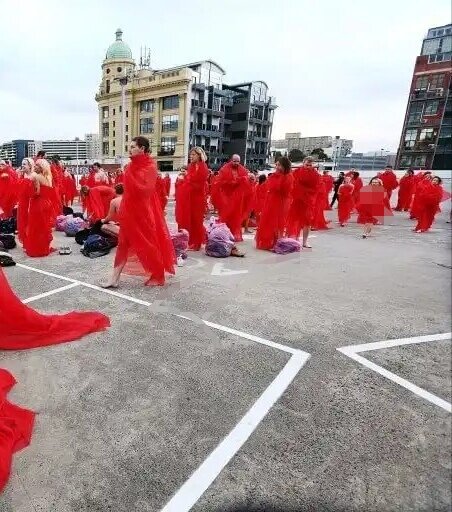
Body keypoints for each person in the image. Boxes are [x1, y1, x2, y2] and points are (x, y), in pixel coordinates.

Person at [102, 136, 175, 288]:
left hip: (143, 213)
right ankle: (114, 278)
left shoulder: (150, 166)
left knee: (147, 244)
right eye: (130, 146)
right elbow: (128, 191)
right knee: (122, 243)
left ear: (142, 149)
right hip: (129, 211)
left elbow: (146, 190)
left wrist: (129, 175)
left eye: (133, 146)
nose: (130, 149)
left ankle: (158, 274)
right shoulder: (130, 167)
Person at [22, 159, 58, 257]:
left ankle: (37, 250)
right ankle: (44, 248)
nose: (35, 167)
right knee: (44, 227)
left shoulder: (35, 176)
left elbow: (36, 193)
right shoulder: (49, 177)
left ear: (41, 167)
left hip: (38, 204)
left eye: (37, 166)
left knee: (36, 228)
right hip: (47, 203)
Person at [256, 157, 293, 250]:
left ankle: (278, 242)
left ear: (285, 166)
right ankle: (272, 242)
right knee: (269, 221)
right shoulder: (275, 175)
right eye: (276, 165)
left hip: (281, 202)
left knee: (279, 222)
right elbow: (269, 187)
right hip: (271, 200)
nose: (277, 167)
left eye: (279, 165)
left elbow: (283, 190)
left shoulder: (288, 176)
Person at [286, 156, 320, 248]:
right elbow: (291, 183)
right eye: (306, 165)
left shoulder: (316, 175)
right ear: (303, 163)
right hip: (297, 199)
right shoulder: (296, 172)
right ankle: (292, 238)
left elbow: (316, 187)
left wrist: (307, 193)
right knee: (294, 219)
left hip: (308, 200)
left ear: (313, 165)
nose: (308, 166)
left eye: (310, 165)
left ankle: (304, 242)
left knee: (307, 221)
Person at [217, 154, 250, 242]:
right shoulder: (224, 169)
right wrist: (232, 183)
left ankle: (234, 234)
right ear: (231, 160)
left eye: (238, 161)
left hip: (238, 198)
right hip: (227, 197)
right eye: (234, 161)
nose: (236, 163)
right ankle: (224, 234)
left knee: (236, 217)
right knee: (226, 216)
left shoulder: (242, 170)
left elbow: (246, 182)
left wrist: (242, 180)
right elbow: (220, 182)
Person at [185, 147, 209, 250]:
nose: (191, 156)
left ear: (199, 155)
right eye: (190, 155)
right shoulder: (191, 166)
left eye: (193, 154)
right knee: (190, 219)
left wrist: (188, 180)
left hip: (198, 197)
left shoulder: (203, 167)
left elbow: (199, 184)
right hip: (190, 196)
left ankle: (197, 243)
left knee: (197, 220)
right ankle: (193, 241)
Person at [175, 166, 189, 231]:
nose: (182, 172)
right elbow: (176, 186)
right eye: (181, 171)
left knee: (185, 214)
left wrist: (181, 180)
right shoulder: (178, 177)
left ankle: (186, 228)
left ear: (187, 171)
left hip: (186, 199)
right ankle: (179, 228)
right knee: (179, 214)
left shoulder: (189, 178)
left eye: (184, 171)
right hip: (179, 199)